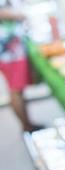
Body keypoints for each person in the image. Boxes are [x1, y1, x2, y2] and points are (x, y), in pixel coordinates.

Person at [0, 0, 37, 131]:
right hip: (8, 50)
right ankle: (27, 127)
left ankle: (27, 124)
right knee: (15, 89)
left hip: (11, 47)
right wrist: (20, 14)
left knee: (18, 89)